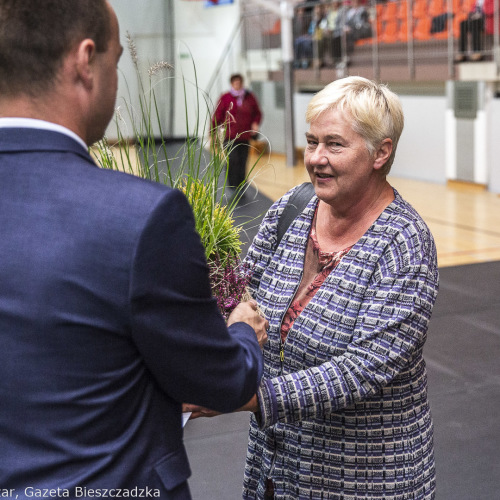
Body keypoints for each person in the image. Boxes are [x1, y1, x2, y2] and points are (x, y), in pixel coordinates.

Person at [0, 1, 267, 498]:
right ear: (85, 61)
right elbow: (222, 382)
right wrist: (242, 333)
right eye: (115, 59)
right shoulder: (140, 217)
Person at [188, 76, 440, 498]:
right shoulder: (293, 207)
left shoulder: (405, 244)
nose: (316, 158)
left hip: (366, 483)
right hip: (273, 474)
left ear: (382, 152)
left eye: (334, 144)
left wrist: (246, 395)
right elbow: (240, 298)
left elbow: (360, 371)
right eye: (311, 141)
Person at [211, 73, 262, 190]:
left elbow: (257, 113)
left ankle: (241, 184)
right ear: (232, 84)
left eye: (239, 83)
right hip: (230, 136)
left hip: (245, 135)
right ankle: (232, 184)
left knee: (243, 161)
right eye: (235, 83)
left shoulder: (249, 97)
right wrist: (212, 132)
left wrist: (255, 123)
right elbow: (217, 116)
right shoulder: (225, 98)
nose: (237, 85)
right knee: (232, 160)